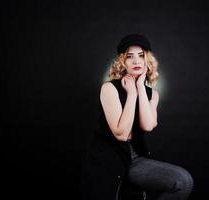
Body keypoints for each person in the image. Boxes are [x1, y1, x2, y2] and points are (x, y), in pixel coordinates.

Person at [81, 33, 194, 200]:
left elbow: (148, 125)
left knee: (182, 181)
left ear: (147, 60)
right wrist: (131, 93)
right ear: (123, 62)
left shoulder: (152, 94)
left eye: (141, 56)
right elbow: (122, 134)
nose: (136, 61)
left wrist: (140, 87)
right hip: (107, 161)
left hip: (134, 160)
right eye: (130, 56)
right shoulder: (109, 88)